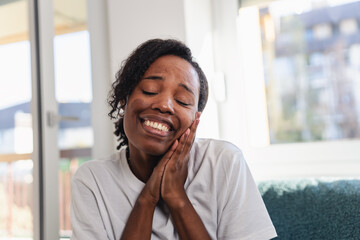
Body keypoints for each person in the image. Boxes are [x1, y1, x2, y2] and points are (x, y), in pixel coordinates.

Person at [70, 39, 277, 240]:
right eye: (150, 90)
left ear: (195, 119)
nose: (165, 105)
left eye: (182, 101)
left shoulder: (224, 161)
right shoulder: (92, 180)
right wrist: (147, 198)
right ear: (124, 99)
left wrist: (175, 195)